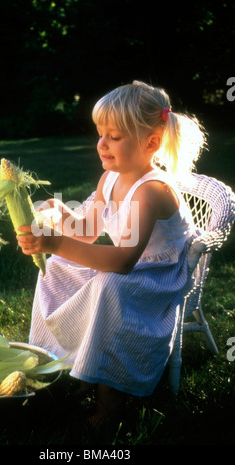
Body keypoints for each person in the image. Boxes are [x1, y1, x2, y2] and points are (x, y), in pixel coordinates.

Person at [16, 80, 206, 432]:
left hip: (159, 276)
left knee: (107, 287)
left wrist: (55, 242)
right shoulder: (111, 178)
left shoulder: (151, 191)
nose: (102, 143)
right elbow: (87, 230)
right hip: (130, 266)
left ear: (150, 143)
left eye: (114, 136)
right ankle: (60, 364)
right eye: (100, 134)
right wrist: (62, 214)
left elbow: (121, 261)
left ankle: (109, 403)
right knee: (56, 269)